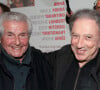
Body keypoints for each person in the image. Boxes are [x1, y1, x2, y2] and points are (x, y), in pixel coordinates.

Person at [45, 9, 100, 90]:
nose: (79, 44)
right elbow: (37, 58)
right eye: (75, 36)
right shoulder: (63, 55)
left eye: (88, 37)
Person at [0, 12, 52, 90]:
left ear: (29, 37)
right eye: (10, 35)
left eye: (22, 35)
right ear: (1, 38)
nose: (17, 42)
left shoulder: (42, 62)